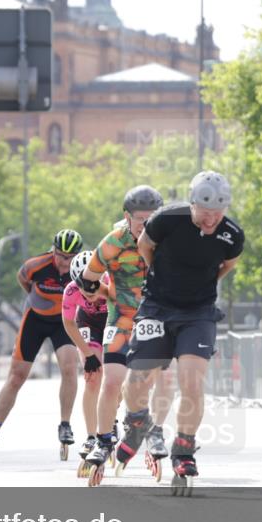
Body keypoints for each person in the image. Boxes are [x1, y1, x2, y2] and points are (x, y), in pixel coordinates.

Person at [121, 172, 243, 493]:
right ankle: (136, 420)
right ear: (192, 205)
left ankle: (184, 447)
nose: (211, 220)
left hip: (198, 312)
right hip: (157, 306)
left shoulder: (231, 235)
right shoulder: (166, 219)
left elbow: (226, 266)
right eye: (204, 213)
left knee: (191, 380)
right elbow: (145, 246)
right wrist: (160, 277)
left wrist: (198, 286)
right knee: (138, 380)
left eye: (218, 214)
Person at [80, 186, 175, 482]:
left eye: (151, 220)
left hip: (155, 319)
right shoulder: (113, 243)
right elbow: (87, 280)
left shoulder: (169, 242)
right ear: (126, 217)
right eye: (139, 220)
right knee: (111, 384)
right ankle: (103, 439)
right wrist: (96, 291)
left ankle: (155, 432)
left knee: (161, 379)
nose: (145, 226)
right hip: (121, 318)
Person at [0, 229, 85, 463]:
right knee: (16, 377)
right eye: (60, 255)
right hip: (35, 319)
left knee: (70, 368)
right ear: (53, 250)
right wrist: (36, 300)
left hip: (64, 322)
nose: (64, 262)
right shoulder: (35, 265)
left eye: (70, 257)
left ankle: (65, 424)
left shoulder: (81, 269)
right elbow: (23, 280)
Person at [59, 250, 112, 472]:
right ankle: (91, 436)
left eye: (92, 286)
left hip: (112, 319)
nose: (89, 294)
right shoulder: (71, 291)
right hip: (87, 323)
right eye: (84, 288)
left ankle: (112, 419)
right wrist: (88, 355)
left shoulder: (111, 281)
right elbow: (69, 324)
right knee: (92, 379)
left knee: (112, 378)